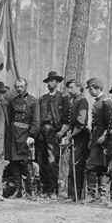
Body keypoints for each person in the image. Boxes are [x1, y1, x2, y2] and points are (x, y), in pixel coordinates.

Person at [37, 70, 70, 200]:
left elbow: (67, 117)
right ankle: (45, 189)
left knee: (52, 161)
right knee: (42, 160)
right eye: (48, 81)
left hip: (54, 132)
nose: (50, 83)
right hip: (41, 132)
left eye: (52, 81)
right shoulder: (42, 99)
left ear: (57, 82)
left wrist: (62, 133)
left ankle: (53, 190)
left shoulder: (63, 98)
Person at [6, 78, 40, 200]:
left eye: (22, 86)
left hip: (26, 135)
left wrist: (32, 135)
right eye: (17, 87)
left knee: (27, 162)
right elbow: (9, 119)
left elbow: (36, 121)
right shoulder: (12, 102)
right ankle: (18, 190)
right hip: (14, 134)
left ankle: (32, 191)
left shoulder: (33, 101)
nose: (19, 89)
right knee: (14, 162)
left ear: (26, 86)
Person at [56, 79, 90, 201]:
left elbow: (81, 123)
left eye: (71, 88)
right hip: (75, 134)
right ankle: (72, 194)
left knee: (76, 165)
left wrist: (70, 136)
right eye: (68, 88)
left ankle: (76, 195)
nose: (69, 90)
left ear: (79, 88)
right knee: (72, 164)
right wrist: (61, 132)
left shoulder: (82, 101)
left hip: (81, 135)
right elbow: (69, 122)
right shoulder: (73, 101)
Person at [84, 78, 112, 204]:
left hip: (103, 137)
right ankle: (99, 195)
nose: (90, 92)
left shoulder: (106, 102)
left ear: (96, 88)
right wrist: (92, 138)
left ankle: (96, 194)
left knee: (92, 165)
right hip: (96, 135)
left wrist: (104, 137)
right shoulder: (98, 102)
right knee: (99, 165)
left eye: (90, 89)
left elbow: (111, 122)